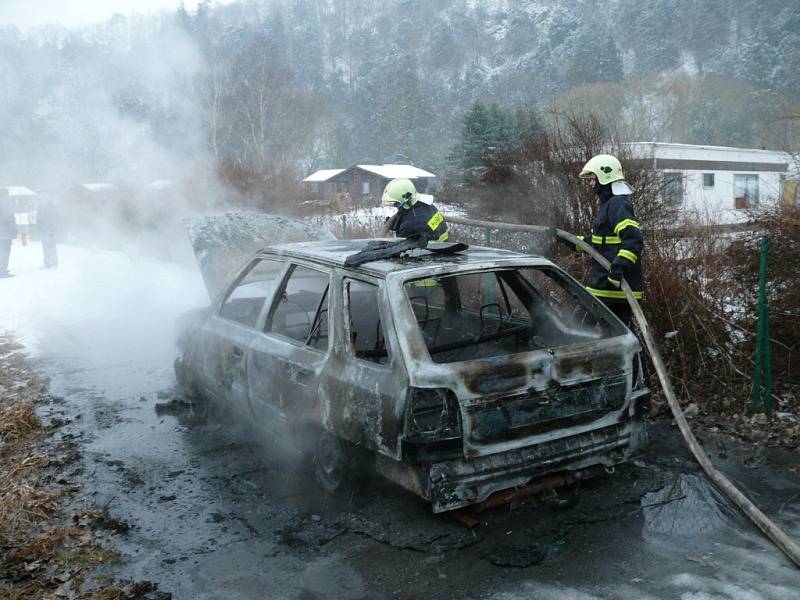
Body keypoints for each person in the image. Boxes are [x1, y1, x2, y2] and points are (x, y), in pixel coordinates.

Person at [563, 154, 644, 328]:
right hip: (604, 286)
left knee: (577, 331)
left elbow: (633, 239)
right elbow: (602, 242)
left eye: (593, 179)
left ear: (604, 176)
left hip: (613, 290)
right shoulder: (609, 204)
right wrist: (570, 241)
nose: (591, 184)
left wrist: (619, 267)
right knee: (612, 338)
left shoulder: (617, 204)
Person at [381, 178, 449, 243]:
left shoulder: (411, 225)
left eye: (395, 203)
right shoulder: (426, 206)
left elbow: (401, 250)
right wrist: (397, 224)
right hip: (442, 246)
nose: (394, 205)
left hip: (433, 253)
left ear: (404, 202)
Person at [36, 195, 59, 269]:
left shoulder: (51, 207)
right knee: (45, 247)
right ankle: (47, 263)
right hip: (43, 230)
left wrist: (52, 230)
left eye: (43, 198)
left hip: (50, 230)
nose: (41, 200)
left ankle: (54, 263)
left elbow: (54, 219)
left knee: (52, 247)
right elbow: (39, 219)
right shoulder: (40, 207)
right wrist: (39, 229)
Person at [0, 188, 16, 278]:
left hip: (2, 232)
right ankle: (2, 270)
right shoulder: (4, 204)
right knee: (5, 252)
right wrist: (13, 229)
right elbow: (8, 218)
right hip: (4, 233)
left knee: (2, 251)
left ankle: (1, 269)